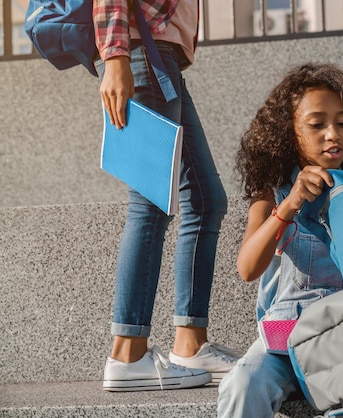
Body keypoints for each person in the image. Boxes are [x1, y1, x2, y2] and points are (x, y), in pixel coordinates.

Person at [217, 62, 343, 417]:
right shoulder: (271, 195)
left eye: (342, 123)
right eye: (317, 124)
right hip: (286, 342)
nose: (333, 134)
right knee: (242, 385)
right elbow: (247, 268)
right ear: (290, 133)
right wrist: (290, 204)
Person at [94, 0, 240, 391]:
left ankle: (190, 344)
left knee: (207, 200)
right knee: (151, 201)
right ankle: (127, 353)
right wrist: (115, 56)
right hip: (138, 49)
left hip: (158, 54)